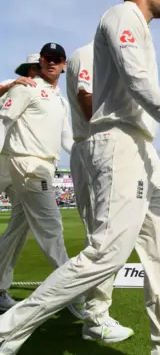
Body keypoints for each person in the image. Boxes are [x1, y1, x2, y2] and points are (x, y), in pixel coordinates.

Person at [0, 0, 160, 355]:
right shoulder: (122, 15)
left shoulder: (136, 25)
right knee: (106, 253)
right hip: (118, 144)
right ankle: (6, 331)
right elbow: (138, 82)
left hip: (139, 146)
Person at [0, 43, 87, 322]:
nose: (46, 65)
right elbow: (3, 122)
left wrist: (87, 157)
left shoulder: (58, 99)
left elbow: (66, 139)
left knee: (17, 230)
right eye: (43, 60)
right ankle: (73, 295)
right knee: (52, 229)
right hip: (27, 166)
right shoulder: (24, 88)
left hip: (42, 166)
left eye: (55, 59)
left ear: (63, 64)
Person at [66, 40, 134, 342]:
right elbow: (87, 102)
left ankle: (88, 307)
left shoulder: (105, 60)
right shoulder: (89, 55)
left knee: (102, 236)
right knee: (105, 237)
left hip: (97, 146)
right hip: (97, 146)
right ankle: (95, 317)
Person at [0, 54, 61, 312]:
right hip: (8, 161)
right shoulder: (18, 86)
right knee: (44, 226)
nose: (34, 74)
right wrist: (8, 86)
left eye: (37, 68)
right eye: (31, 69)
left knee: (20, 225)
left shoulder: (46, 95)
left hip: (14, 165)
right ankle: (73, 289)